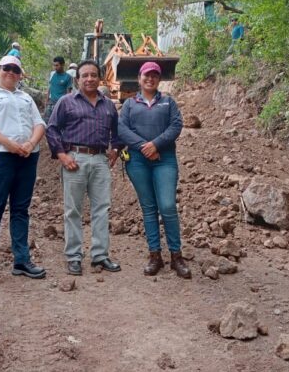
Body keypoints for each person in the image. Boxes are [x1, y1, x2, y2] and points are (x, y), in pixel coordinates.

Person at [0, 55, 46, 282]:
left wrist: (30, 143)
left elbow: (39, 124)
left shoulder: (26, 98)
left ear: (20, 75)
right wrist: (8, 144)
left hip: (27, 157)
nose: (11, 72)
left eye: (16, 69)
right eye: (7, 68)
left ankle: (22, 260)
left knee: (21, 209)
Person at [45, 60, 121, 276]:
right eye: (85, 75)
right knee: (73, 210)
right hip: (74, 159)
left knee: (102, 209)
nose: (89, 79)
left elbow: (117, 131)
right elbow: (52, 129)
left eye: (93, 75)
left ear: (100, 78)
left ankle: (100, 255)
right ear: (77, 79)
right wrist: (62, 155)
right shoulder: (66, 102)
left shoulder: (108, 105)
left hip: (100, 160)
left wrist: (116, 149)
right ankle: (74, 257)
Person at [118, 61, 190, 279]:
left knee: (167, 206)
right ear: (139, 79)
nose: (150, 79)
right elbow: (122, 129)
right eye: (146, 75)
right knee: (148, 208)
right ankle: (154, 255)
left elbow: (176, 126)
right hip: (137, 161)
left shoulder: (168, 102)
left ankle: (176, 256)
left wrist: (156, 145)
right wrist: (144, 147)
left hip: (164, 160)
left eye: (154, 76)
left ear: (159, 80)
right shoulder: (129, 104)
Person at [44, 56, 73, 122]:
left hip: (61, 104)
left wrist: (68, 106)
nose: (55, 67)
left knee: (58, 123)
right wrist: (46, 101)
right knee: (46, 122)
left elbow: (69, 93)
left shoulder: (68, 77)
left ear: (62, 65)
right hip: (51, 103)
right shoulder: (52, 74)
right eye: (54, 65)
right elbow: (50, 87)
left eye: (57, 65)